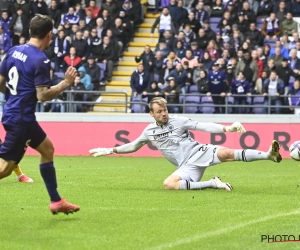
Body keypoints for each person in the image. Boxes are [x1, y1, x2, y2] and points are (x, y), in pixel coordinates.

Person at [89, 97, 282, 191]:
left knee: (227, 153)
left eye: (165, 110)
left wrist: (227, 129)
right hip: (186, 166)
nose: (164, 114)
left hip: (199, 151)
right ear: (152, 114)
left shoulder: (179, 120)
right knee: (168, 184)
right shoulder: (149, 131)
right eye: (159, 112)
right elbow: (133, 146)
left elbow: (203, 126)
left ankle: (268, 155)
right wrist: (110, 150)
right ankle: (213, 184)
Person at [0, 14, 79, 214]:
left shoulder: (13, 51)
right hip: (21, 119)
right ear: (49, 35)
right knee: (4, 170)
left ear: (30, 31)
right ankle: (56, 200)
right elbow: (43, 95)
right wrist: (65, 84)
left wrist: (16, 95)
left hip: (16, 113)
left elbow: (1, 83)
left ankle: (56, 201)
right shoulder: (41, 60)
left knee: (47, 149)